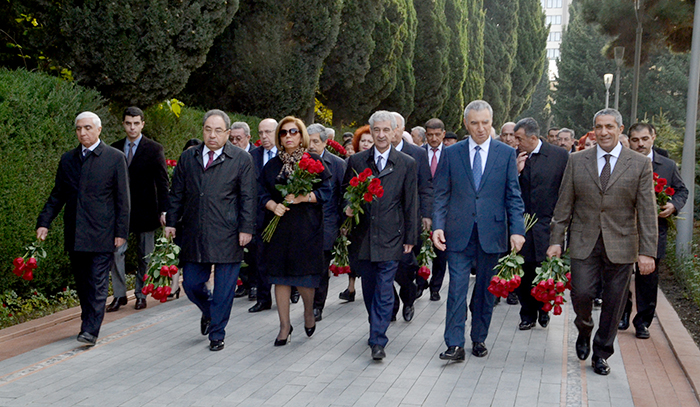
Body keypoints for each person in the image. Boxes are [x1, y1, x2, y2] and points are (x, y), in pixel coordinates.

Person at [547, 108, 658, 375]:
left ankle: (601, 351)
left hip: (622, 244)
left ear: (620, 130)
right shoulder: (577, 160)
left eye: (609, 126)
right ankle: (584, 329)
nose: (604, 132)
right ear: (594, 130)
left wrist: (647, 252)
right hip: (584, 241)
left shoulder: (640, 163)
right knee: (582, 293)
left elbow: (647, 210)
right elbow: (564, 206)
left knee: (614, 301)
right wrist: (556, 240)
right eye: (599, 127)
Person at [432, 100, 525, 361]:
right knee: (457, 289)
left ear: (491, 122)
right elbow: (441, 194)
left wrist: (517, 230)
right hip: (458, 232)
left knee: (486, 291)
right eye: (474, 123)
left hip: (492, 232)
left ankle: (479, 338)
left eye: (485, 122)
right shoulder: (451, 153)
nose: (481, 128)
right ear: (466, 124)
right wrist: (437, 226)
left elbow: (513, 196)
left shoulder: (505, 154)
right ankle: (454, 344)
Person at [165, 109, 257, 352]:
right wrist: (172, 222)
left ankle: (217, 333)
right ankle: (209, 312)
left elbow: (248, 197)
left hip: (229, 233)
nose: (212, 135)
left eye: (218, 131)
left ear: (227, 133)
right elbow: (176, 194)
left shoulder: (241, 159)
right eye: (208, 130)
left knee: (224, 291)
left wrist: (246, 228)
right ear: (202, 131)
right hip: (195, 232)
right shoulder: (189, 158)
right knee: (192, 284)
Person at [37, 111, 130, 345]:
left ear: (98, 130)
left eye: (88, 128)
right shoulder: (68, 159)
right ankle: (88, 319)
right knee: (83, 283)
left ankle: (90, 329)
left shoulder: (114, 158)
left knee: (98, 282)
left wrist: (121, 232)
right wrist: (44, 222)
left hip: (103, 233)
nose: (83, 133)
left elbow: (123, 199)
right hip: (76, 234)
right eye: (79, 128)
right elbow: (58, 195)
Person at [344, 110, 418, 360]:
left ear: (395, 132)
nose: (382, 135)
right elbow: (346, 194)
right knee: (370, 288)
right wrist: (347, 211)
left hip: (391, 236)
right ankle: (375, 325)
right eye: (377, 130)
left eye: (387, 130)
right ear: (371, 131)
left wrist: (410, 236)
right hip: (364, 237)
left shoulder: (407, 163)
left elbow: (411, 203)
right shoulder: (357, 162)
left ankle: (378, 339)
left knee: (385, 289)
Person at [259, 116, 331, 346]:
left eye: (293, 132)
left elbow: (326, 192)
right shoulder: (272, 165)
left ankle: (308, 312)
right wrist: (273, 205)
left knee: (303, 279)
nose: (288, 136)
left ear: (301, 135)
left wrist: (304, 197)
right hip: (278, 229)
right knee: (280, 278)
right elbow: (261, 193)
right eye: (283, 132)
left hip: (306, 228)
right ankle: (284, 327)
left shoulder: (314, 161)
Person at [619, 123, 688, 338]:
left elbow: (681, 190)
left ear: (653, 138)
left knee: (647, 278)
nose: (640, 144)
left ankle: (643, 322)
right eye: (635, 140)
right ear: (629, 140)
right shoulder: (621, 163)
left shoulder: (666, 165)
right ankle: (622, 313)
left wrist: (673, 205)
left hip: (654, 230)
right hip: (624, 229)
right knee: (619, 275)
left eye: (644, 139)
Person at [106, 107, 169, 312]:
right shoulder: (114, 149)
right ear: (123, 124)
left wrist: (164, 211)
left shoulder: (154, 149)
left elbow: (162, 182)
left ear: (142, 124)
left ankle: (141, 294)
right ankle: (119, 294)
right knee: (116, 253)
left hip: (146, 210)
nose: (132, 127)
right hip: (120, 212)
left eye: (136, 123)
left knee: (146, 255)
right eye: (128, 123)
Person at [513, 118, 568, 330]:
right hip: (524, 224)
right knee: (524, 271)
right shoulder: (515, 156)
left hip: (548, 224)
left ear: (533, 138)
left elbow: (565, 189)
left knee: (544, 269)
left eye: (520, 139)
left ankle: (544, 309)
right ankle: (527, 314)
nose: (517, 143)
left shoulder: (559, 156)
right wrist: (517, 171)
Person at [390, 112, 432, 323]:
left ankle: (408, 298)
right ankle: (391, 305)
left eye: (395, 126)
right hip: (384, 224)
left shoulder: (417, 153)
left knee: (406, 268)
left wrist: (426, 215)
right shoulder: (373, 155)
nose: (391, 131)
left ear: (402, 129)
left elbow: (425, 187)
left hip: (409, 221)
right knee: (383, 268)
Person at [307, 123, 347, 322]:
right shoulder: (299, 161)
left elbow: (343, 194)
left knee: (321, 268)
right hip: (304, 225)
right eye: (309, 142)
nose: (312, 146)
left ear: (325, 142)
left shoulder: (337, 164)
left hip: (327, 223)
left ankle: (317, 306)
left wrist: (343, 223)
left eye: (316, 141)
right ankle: (307, 302)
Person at [340, 124, 374, 302]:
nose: (366, 144)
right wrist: (346, 212)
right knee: (353, 252)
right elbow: (345, 190)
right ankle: (351, 287)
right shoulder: (352, 162)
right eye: (363, 141)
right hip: (355, 218)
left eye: (370, 141)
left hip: (372, 217)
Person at [248, 118, 279, 313]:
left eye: (268, 132)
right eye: (261, 133)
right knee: (260, 260)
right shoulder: (252, 156)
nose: (264, 137)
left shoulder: (286, 155)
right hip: (260, 216)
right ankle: (263, 298)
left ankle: (290, 289)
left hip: (282, 215)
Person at [418, 118, 448, 301]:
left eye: (437, 135)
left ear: (443, 134)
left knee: (440, 252)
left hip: (444, 210)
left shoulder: (451, 154)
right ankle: (420, 283)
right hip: (422, 209)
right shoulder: (418, 153)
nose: (434, 139)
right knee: (421, 248)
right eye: (430, 135)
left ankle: (435, 287)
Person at [229, 121, 258, 300]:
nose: (234, 142)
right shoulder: (228, 155)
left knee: (252, 250)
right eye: (232, 138)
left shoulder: (254, 156)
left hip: (250, 210)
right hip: (231, 210)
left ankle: (253, 284)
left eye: (238, 138)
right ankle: (243, 283)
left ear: (248, 138)